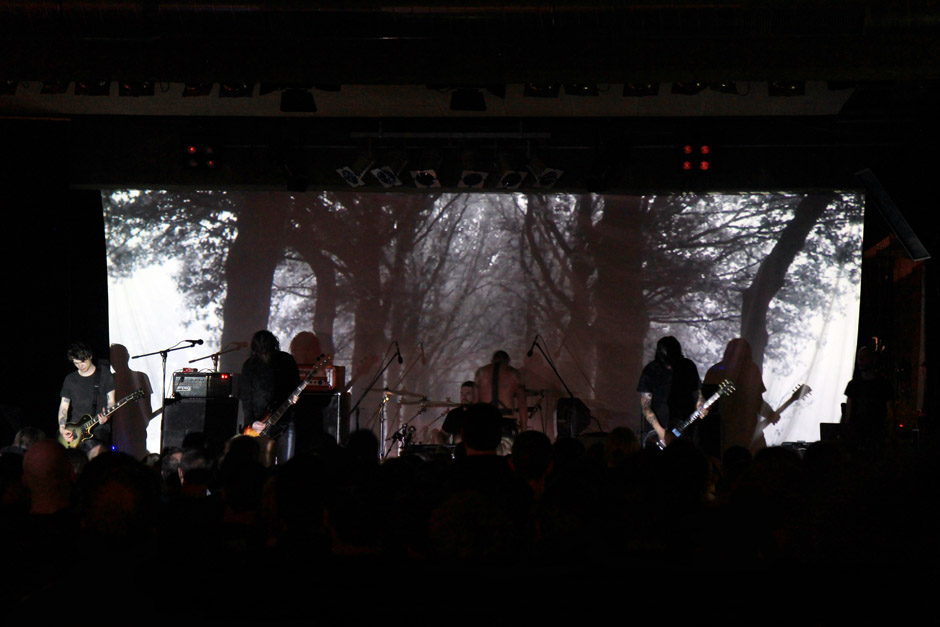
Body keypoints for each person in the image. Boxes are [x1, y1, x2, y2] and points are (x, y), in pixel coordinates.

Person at [703, 337, 776, 454]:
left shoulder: (716, 370)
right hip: (727, 432)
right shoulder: (749, 370)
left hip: (740, 431)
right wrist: (769, 413)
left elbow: (756, 400)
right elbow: (757, 401)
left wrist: (769, 413)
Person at [240, 330, 301, 464]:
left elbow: (295, 386)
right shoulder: (249, 366)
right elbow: (246, 397)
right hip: (260, 424)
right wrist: (252, 422)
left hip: (285, 420)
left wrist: (296, 397)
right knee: (261, 464)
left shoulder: (286, 360)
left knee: (286, 465)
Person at [637, 336, 705, 448]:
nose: (670, 366)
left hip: (685, 429)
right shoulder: (650, 371)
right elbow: (645, 406)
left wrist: (700, 403)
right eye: (667, 363)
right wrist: (661, 432)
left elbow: (698, 394)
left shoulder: (688, 367)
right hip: (657, 434)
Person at [58, 342, 116, 454]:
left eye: (83, 362)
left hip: (99, 428)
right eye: (76, 363)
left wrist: (107, 415)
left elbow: (111, 401)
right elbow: (64, 406)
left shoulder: (104, 374)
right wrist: (62, 427)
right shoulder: (70, 379)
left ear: (90, 356)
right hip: (75, 431)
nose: (80, 366)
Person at [842, 346, 893, 456]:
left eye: (863, 358)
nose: (860, 361)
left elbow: (890, 412)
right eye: (859, 358)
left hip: (876, 435)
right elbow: (848, 412)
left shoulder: (883, 384)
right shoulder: (854, 384)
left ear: (872, 359)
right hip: (858, 435)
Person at [474, 350, 528, 433]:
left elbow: (475, 403)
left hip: (485, 419)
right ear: (507, 361)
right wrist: (524, 430)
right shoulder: (514, 373)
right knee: (506, 444)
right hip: (506, 420)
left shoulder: (481, 373)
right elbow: (522, 404)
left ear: (492, 360)